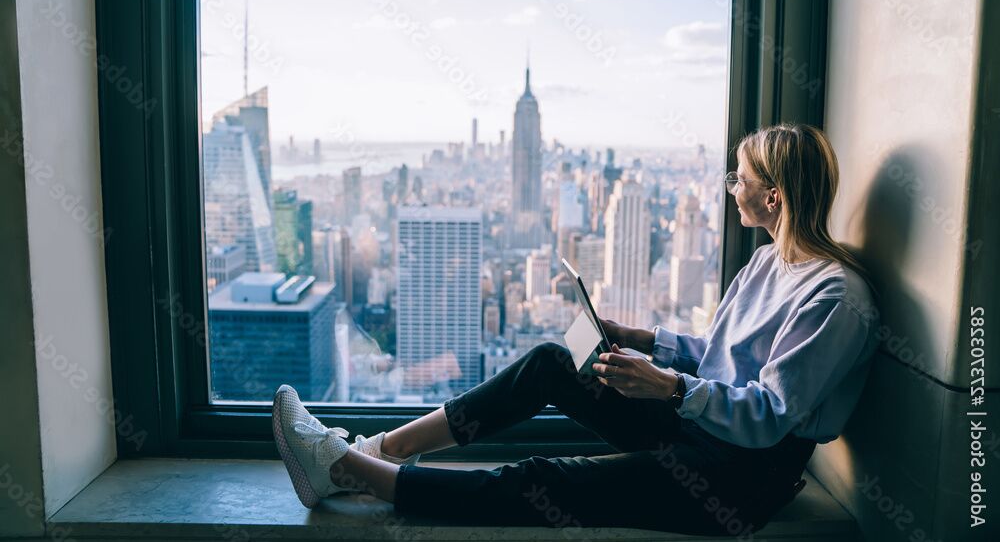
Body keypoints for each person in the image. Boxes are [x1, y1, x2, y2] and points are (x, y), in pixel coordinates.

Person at [271, 123, 881, 536]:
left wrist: (667, 388)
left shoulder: (834, 296)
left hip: (739, 478)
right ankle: (382, 448)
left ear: (772, 196)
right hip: (699, 429)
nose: (730, 189)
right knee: (551, 360)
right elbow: (723, 356)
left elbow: (771, 413)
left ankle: (350, 472)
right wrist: (646, 342)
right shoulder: (769, 259)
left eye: (739, 179)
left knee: (547, 481)